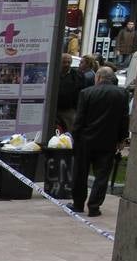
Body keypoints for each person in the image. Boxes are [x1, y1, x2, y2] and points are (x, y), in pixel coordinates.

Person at [71, 66, 129, 216]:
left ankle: (78, 204)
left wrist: (75, 137)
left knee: (80, 173)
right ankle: (94, 206)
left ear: (98, 77)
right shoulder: (122, 94)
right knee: (102, 176)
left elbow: (79, 119)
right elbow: (124, 118)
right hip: (108, 141)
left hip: (85, 140)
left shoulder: (86, 93)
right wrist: (122, 139)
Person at [55, 53, 86, 131]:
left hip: (69, 110)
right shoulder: (54, 73)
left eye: (68, 62)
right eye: (64, 62)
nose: (66, 64)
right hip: (54, 109)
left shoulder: (77, 75)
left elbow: (81, 91)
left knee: (69, 130)